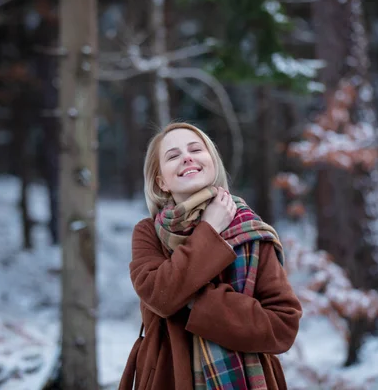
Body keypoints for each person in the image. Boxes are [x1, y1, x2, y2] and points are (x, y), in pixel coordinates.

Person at [120, 122, 302, 390]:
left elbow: (283, 325)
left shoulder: (250, 229)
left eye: (195, 149)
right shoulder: (148, 233)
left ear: (212, 162)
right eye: (173, 155)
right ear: (161, 181)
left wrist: (196, 301)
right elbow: (160, 296)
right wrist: (209, 230)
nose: (187, 157)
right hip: (167, 378)